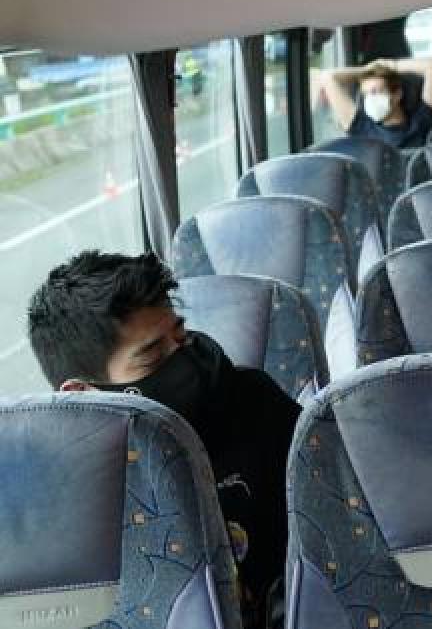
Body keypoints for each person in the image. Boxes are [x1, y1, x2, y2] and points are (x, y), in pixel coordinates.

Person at [26, 251, 300, 629]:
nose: (186, 358)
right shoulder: (54, 497)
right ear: (82, 393)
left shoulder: (255, 402)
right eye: (153, 357)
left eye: (181, 335)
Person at [320, 57, 432, 148]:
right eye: (366, 94)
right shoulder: (361, 126)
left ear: (397, 94)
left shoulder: (424, 120)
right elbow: (328, 77)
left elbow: (431, 65)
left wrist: (390, 65)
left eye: (375, 92)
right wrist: (366, 69)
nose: (369, 99)